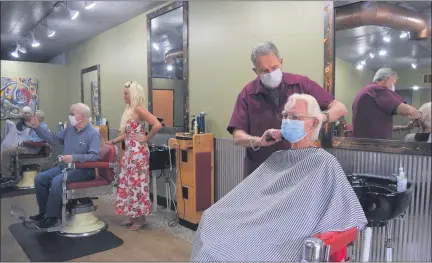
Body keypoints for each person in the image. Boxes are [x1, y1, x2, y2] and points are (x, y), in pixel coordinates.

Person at [191, 94, 367, 261]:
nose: (288, 122)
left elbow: (345, 213)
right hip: (259, 224)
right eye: (285, 116)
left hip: (286, 237)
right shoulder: (277, 158)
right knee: (212, 218)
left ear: (313, 124)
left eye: (295, 118)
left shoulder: (324, 163)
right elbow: (258, 199)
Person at [228, 41, 347, 178]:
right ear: (256, 71)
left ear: (281, 62)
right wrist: (258, 141)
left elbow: (340, 108)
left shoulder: (301, 84)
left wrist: (320, 118)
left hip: (298, 169)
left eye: (274, 67)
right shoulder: (247, 94)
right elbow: (237, 136)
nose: (271, 73)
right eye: (264, 71)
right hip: (261, 171)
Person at [27, 103, 100, 229]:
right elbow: (53, 139)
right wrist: (37, 127)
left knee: (57, 181)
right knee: (40, 179)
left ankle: (52, 218)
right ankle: (44, 213)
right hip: (66, 167)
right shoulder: (70, 129)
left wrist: (74, 158)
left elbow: (94, 156)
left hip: (83, 170)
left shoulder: (93, 133)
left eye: (72, 114)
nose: (70, 116)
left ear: (82, 116)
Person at [107, 81, 162, 231]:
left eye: (126, 93)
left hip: (138, 153)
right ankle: (132, 215)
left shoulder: (138, 109)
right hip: (130, 152)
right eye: (124, 93)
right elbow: (128, 134)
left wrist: (145, 138)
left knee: (138, 184)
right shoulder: (129, 111)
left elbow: (157, 125)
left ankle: (141, 218)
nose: (124, 96)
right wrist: (112, 141)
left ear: (133, 94)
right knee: (129, 184)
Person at [352, 68, 422, 140]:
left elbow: (376, 125)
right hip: (373, 145)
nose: (394, 86)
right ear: (387, 79)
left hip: (363, 142)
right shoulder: (377, 90)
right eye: (394, 83)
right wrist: (421, 117)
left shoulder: (366, 90)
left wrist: (404, 127)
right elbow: (406, 110)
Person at [0, 107, 45, 182]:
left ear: (40, 118)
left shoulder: (42, 127)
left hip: (32, 149)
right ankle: (9, 174)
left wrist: (26, 141)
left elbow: (39, 140)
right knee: (6, 148)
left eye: (35, 117)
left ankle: (7, 176)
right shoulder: (35, 126)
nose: (33, 118)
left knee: (6, 152)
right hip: (28, 147)